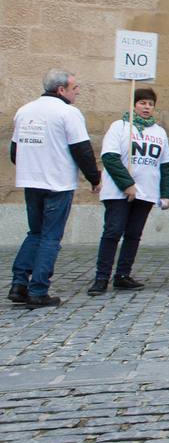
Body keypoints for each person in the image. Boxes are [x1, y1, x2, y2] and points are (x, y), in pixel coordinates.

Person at [9, 69, 101, 308]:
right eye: (74, 87)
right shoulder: (68, 113)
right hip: (58, 183)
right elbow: (82, 150)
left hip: (31, 181)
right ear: (61, 90)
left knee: (35, 232)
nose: (78, 91)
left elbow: (15, 152)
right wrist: (94, 178)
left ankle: (19, 284)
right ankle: (38, 290)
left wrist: (33, 166)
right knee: (50, 237)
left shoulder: (24, 111)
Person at [90, 87, 169, 296]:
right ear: (134, 105)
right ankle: (101, 277)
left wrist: (167, 193)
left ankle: (123, 275)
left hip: (146, 191)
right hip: (118, 192)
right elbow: (110, 158)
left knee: (134, 234)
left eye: (150, 104)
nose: (147, 107)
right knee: (113, 232)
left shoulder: (159, 132)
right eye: (142, 103)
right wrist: (127, 184)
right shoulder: (119, 127)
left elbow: (165, 165)